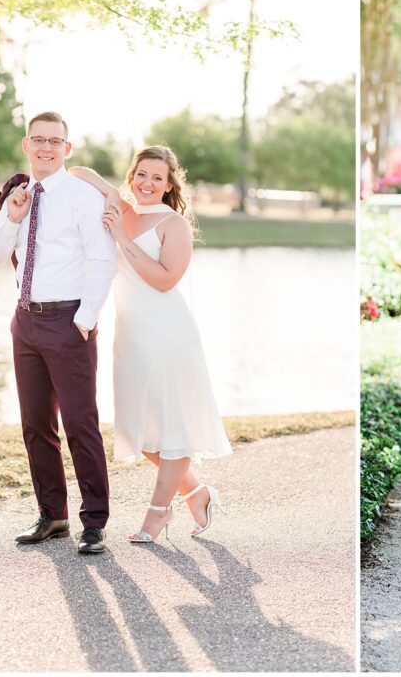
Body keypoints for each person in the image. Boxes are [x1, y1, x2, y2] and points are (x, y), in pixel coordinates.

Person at [66, 146, 232, 542]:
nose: (147, 183)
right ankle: (197, 492)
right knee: (141, 433)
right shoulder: (122, 207)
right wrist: (108, 191)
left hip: (168, 335)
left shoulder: (173, 224)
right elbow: (77, 171)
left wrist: (122, 238)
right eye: (141, 174)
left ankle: (158, 514)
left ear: (170, 184)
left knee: (174, 426)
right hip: (132, 336)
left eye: (158, 178)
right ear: (132, 175)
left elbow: (163, 279)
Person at [0, 111, 117, 554]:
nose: (46, 147)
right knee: (36, 424)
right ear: (26, 145)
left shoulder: (81, 196)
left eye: (54, 141)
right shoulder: (19, 195)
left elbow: (102, 259)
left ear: (67, 149)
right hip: (25, 322)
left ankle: (93, 522)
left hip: (68, 321)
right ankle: (53, 516)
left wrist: (86, 318)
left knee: (80, 423)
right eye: (38, 140)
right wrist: (13, 217)